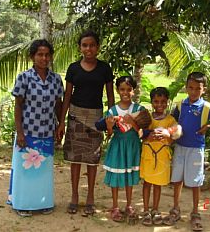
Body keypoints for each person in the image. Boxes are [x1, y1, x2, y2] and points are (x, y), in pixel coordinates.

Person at [55, 31, 114, 216]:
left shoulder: (105, 68)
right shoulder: (73, 68)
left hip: (96, 118)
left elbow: (110, 96)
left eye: (92, 45)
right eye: (84, 45)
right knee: (75, 159)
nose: (88, 49)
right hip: (75, 116)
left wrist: (111, 119)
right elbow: (67, 96)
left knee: (92, 160)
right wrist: (62, 122)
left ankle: (90, 197)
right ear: (80, 48)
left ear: (97, 47)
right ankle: (74, 196)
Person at [164, 72, 210, 231]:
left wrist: (209, 126)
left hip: (196, 149)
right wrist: (171, 132)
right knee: (177, 179)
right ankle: (175, 209)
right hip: (180, 147)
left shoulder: (206, 107)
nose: (193, 92)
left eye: (197, 89)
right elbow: (172, 121)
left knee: (195, 182)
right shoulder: (180, 105)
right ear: (186, 88)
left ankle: (195, 213)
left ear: (203, 89)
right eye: (191, 88)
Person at [8, 39, 64, 217]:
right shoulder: (24, 77)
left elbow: (58, 105)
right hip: (27, 133)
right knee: (25, 171)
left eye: (47, 54)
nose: (44, 58)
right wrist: (20, 132)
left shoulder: (56, 79)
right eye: (40, 54)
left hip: (46, 133)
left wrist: (59, 126)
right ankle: (22, 203)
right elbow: (18, 106)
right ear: (32, 56)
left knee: (43, 172)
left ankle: (43, 202)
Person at [103, 76, 145, 223]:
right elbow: (109, 133)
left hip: (132, 146)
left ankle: (128, 205)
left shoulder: (139, 109)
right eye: (122, 89)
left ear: (134, 91)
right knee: (116, 175)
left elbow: (142, 130)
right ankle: (115, 206)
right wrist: (109, 125)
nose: (125, 92)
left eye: (129, 89)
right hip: (118, 146)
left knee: (128, 176)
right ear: (117, 90)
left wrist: (131, 122)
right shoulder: (112, 110)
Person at [140, 87, 181, 226]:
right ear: (152, 102)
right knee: (147, 183)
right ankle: (146, 210)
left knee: (157, 184)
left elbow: (176, 134)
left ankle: (155, 210)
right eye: (156, 101)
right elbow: (140, 133)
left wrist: (168, 133)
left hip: (162, 156)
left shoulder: (170, 120)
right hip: (148, 155)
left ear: (167, 102)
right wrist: (148, 135)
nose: (160, 104)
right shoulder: (146, 118)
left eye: (163, 102)